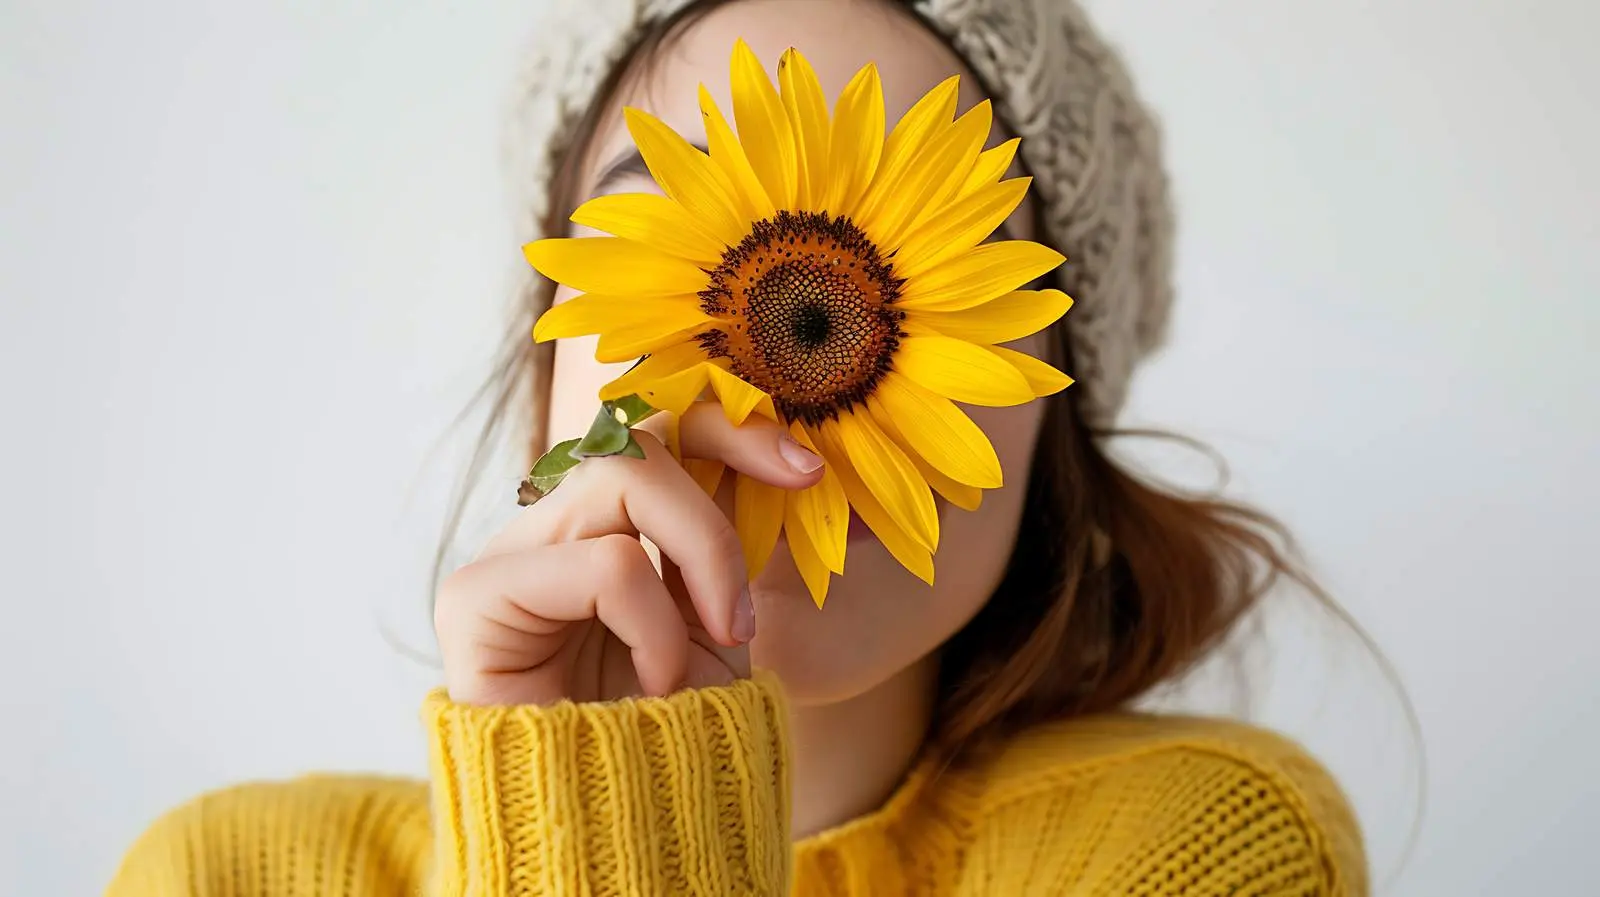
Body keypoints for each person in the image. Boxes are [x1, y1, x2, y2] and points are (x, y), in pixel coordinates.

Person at [110, 0, 1371, 893]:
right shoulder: (217, 879)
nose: (766, 379)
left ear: (1056, 416)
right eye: (650, 226)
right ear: (546, 367)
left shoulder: (1187, 854)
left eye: (946, 270)